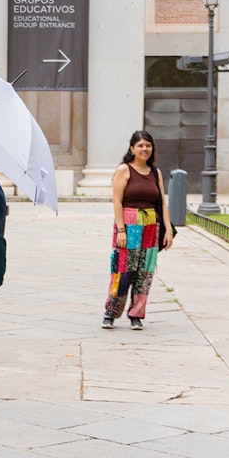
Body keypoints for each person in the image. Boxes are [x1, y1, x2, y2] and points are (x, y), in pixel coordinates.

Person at [103, 130, 172, 330]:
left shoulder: (155, 172)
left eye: (148, 145)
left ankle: (136, 314)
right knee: (123, 271)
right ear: (132, 148)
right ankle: (111, 312)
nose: (144, 149)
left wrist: (167, 231)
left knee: (145, 273)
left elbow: (163, 204)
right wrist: (121, 230)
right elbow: (116, 201)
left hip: (151, 226)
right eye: (140, 145)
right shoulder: (124, 170)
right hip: (129, 225)